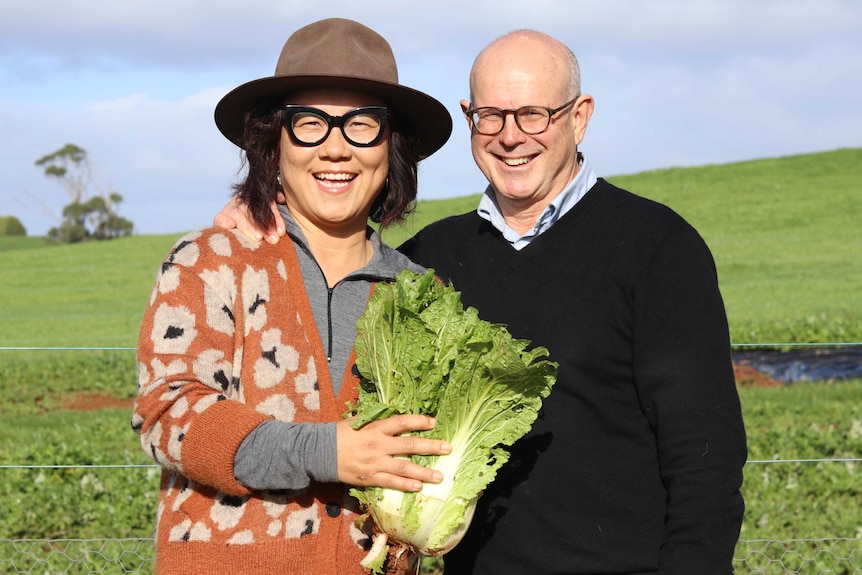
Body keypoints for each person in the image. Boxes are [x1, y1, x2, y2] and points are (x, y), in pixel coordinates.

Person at [214, 28, 748, 575]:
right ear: (470, 117)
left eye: (533, 114)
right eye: (491, 116)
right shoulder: (428, 260)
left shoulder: (656, 248)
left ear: (580, 116)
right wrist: (261, 210)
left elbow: (705, 457)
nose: (510, 137)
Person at [132, 18, 455, 575]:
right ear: (273, 142)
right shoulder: (212, 260)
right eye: (310, 124)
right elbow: (168, 413)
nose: (335, 149)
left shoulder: (422, 297)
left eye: (362, 126)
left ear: (392, 147)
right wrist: (327, 451)